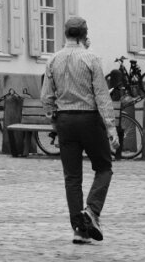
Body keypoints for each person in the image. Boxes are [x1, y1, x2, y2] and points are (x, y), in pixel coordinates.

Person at [40, 15, 117, 245]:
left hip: (65, 120)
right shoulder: (91, 58)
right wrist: (111, 127)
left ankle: (79, 230)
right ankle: (92, 211)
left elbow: (46, 97)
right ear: (85, 35)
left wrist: (53, 119)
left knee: (72, 177)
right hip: (89, 119)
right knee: (104, 167)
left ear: (65, 34)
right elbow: (102, 95)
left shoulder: (53, 60)